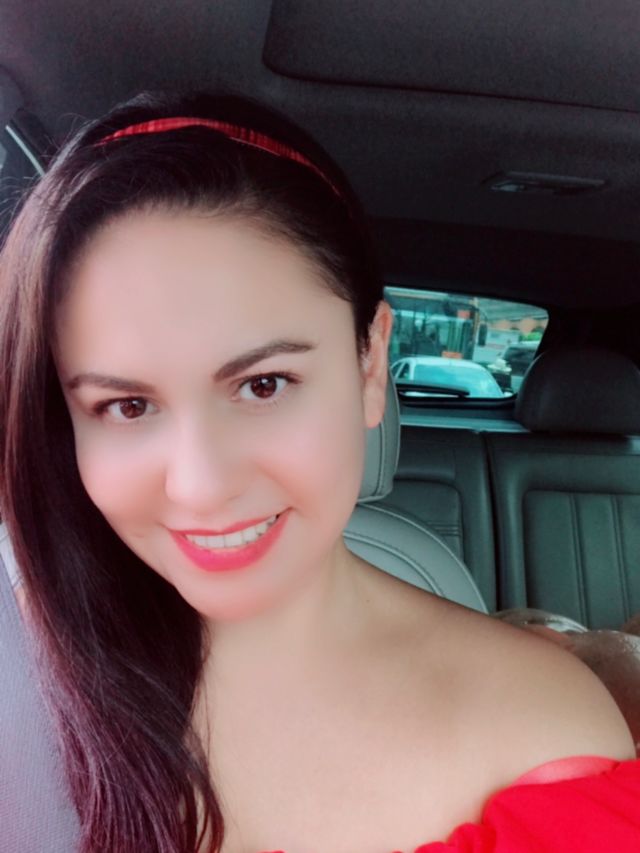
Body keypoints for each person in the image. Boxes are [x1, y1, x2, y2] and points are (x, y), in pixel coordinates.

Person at [0, 91, 638, 853]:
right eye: (127, 405)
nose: (201, 485)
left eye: (263, 384)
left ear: (371, 363)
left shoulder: (540, 728)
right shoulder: (19, 684)